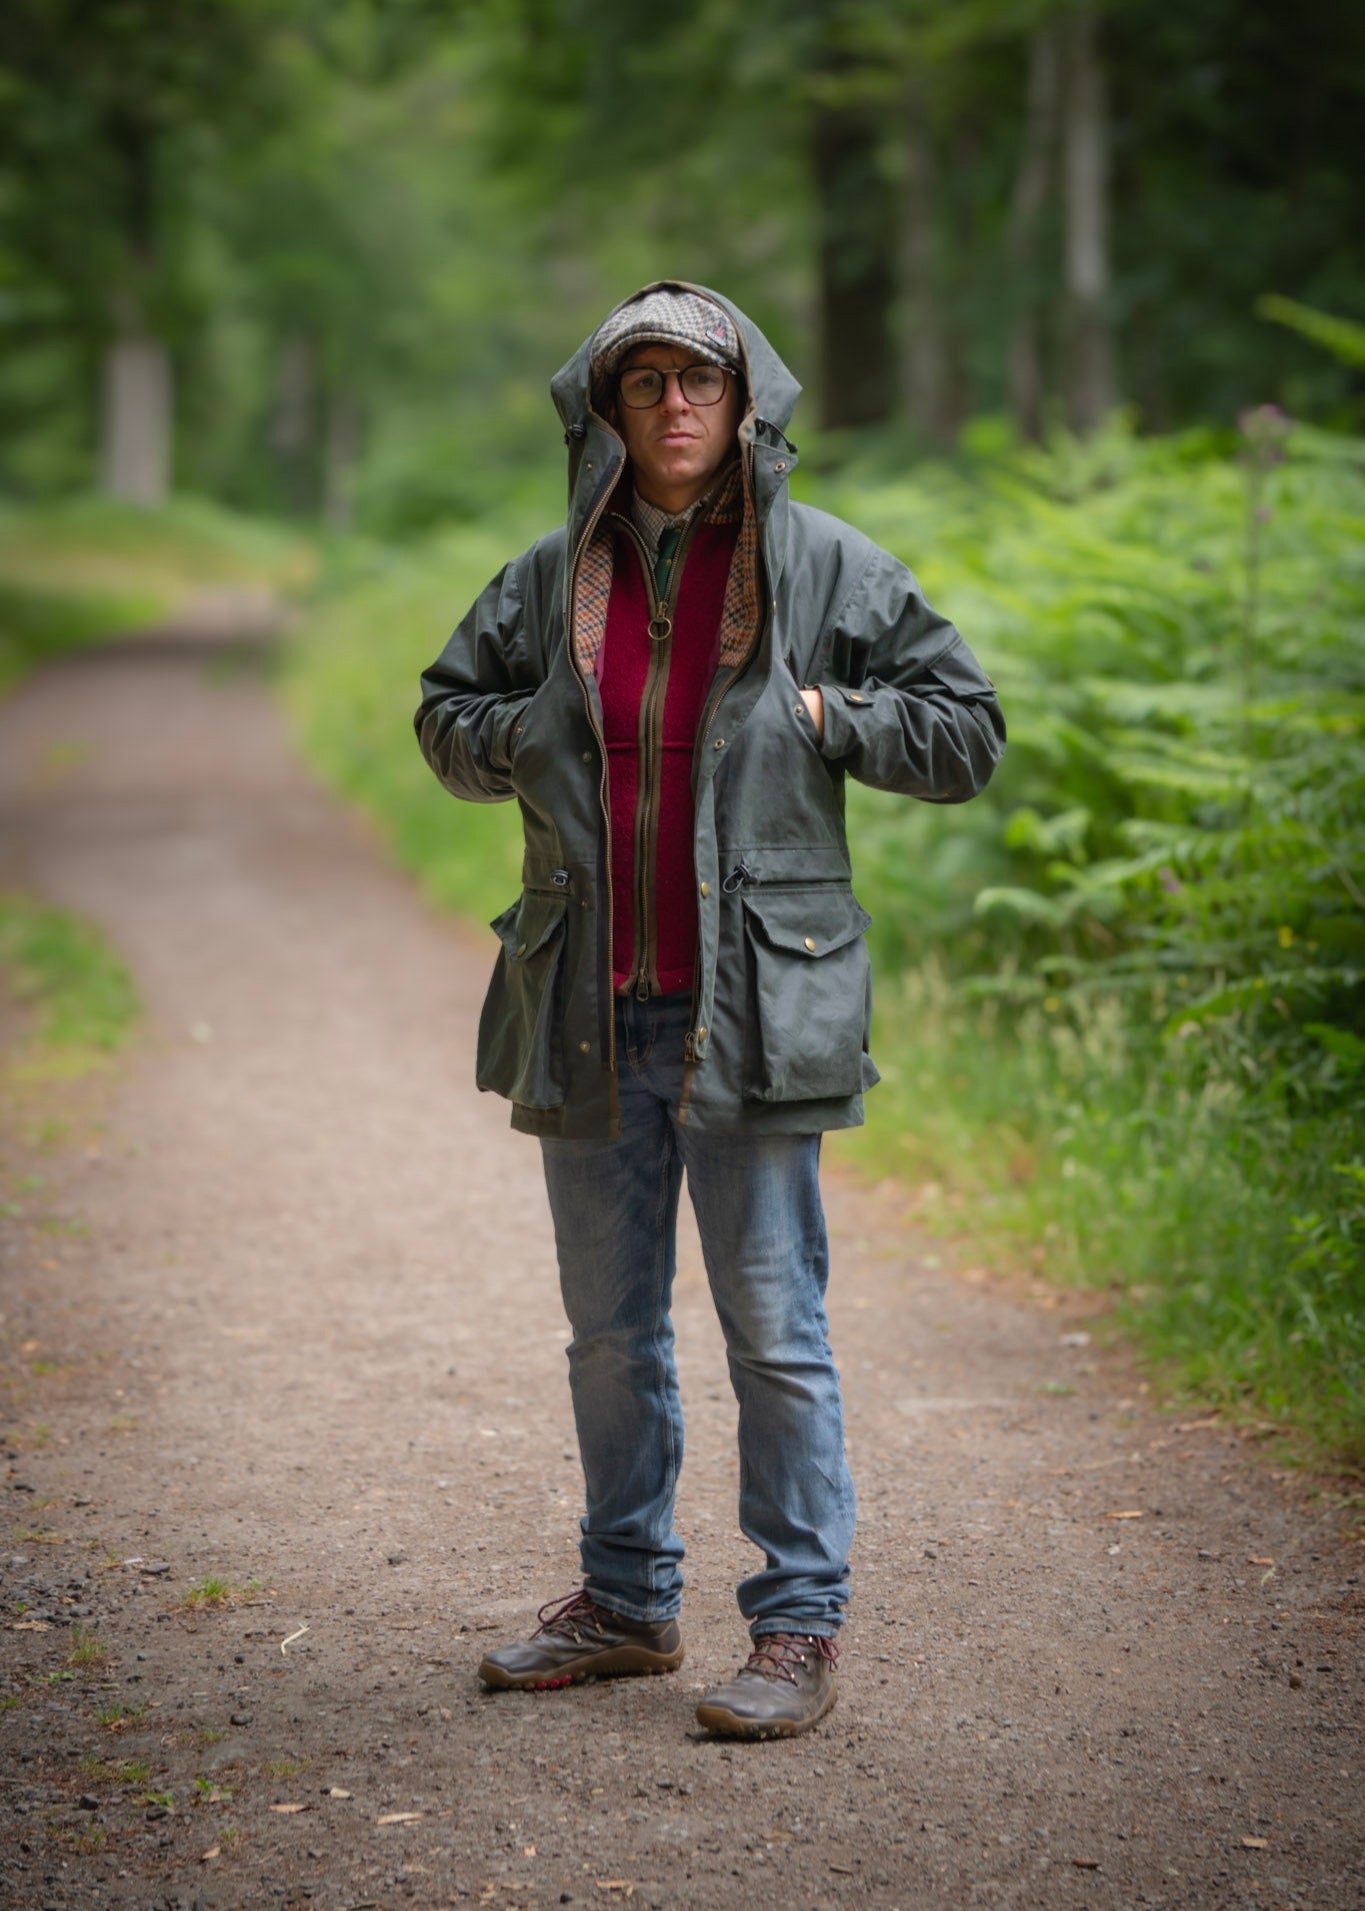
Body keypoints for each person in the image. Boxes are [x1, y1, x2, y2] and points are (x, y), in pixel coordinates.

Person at [415, 281, 1004, 1739]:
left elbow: (965, 733)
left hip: (753, 1004)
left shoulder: (825, 569)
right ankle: (624, 1603)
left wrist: (825, 716)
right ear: (605, 411)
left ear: (748, 405)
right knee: (607, 1334)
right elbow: (443, 717)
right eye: (645, 383)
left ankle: (797, 1626)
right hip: (587, 1001)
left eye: (701, 381)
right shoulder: (550, 577)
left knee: (773, 1331)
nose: (675, 405)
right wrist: (516, 734)